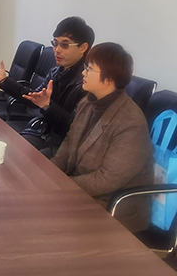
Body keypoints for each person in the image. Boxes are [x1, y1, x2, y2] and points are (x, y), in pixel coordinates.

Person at [51, 43, 154, 232]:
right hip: (81, 190)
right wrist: (50, 172)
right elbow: (68, 143)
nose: (83, 72)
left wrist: (62, 184)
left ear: (109, 79)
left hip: (114, 205)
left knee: (47, 219)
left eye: (89, 69)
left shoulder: (130, 122)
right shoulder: (87, 103)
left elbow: (107, 180)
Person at [0, 16, 95, 157]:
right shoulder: (57, 71)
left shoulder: (87, 82)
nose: (57, 50)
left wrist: (48, 106)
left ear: (83, 47)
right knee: (3, 149)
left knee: (19, 159)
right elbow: (33, 98)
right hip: (42, 131)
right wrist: (4, 80)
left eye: (65, 45)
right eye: (55, 43)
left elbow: (74, 127)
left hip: (63, 143)